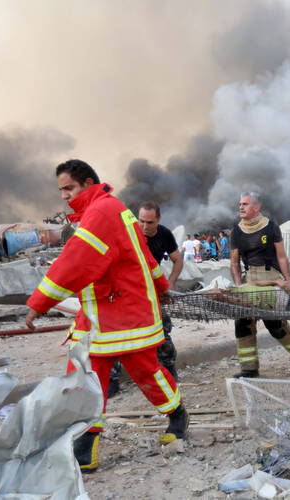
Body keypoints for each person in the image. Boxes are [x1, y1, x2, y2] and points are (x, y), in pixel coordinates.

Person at [24, 159, 188, 472]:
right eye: (60, 190)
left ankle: (177, 414)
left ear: (87, 183)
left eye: (68, 188)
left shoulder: (100, 213)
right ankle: (86, 447)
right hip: (104, 312)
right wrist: (162, 285)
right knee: (86, 376)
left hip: (121, 312)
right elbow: (141, 254)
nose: (63, 196)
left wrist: (39, 302)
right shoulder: (111, 209)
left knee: (144, 372)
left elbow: (77, 261)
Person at [107, 201, 184, 398]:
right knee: (117, 334)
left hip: (153, 291)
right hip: (127, 291)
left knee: (162, 331)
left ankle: (168, 369)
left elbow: (177, 259)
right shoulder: (127, 233)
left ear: (158, 219)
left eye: (149, 222)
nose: (144, 226)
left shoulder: (164, 234)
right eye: (141, 221)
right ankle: (112, 379)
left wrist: (171, 283)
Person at [229, 192, 290, 378]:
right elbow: (234, 262)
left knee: (274, 324)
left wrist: (287, 280)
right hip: (250, 279)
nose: (241, 207)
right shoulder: (237, 231)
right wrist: (239, 285)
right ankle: (249, 368)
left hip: (270, 275)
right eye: (240, 204)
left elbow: (281, 256)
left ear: (256, 208)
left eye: (245, 204)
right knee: (242, 321)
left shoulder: (271, 227)